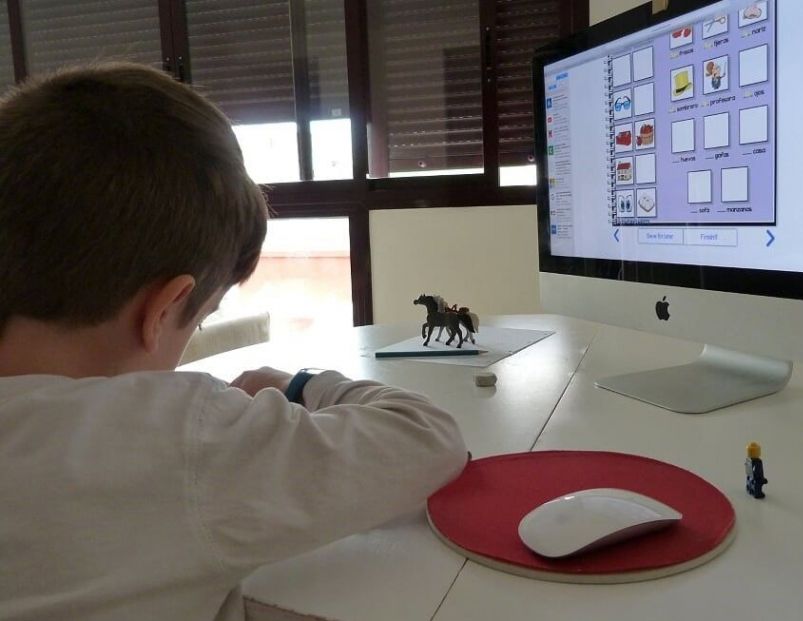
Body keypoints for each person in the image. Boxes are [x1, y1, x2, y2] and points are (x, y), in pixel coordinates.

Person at [0, 63, 468, 621]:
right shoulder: (174, 435)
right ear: (163, 309)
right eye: (194, 322)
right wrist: (297, 384)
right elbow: (428, 440)